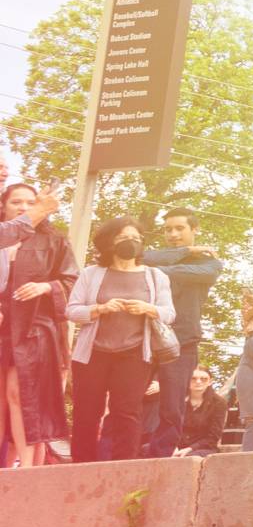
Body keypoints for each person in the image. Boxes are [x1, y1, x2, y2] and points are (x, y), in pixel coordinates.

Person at [67, 215, 171, 463]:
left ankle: (123, 468)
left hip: (134, 354)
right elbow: (71, 310)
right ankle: (81, 466)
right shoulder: (92, 273)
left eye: (136, 238)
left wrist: (147, 308)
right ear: (109, 242)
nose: (131, 242)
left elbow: (169, 313)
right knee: (86, 413)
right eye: (124, 237)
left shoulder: (156, 276)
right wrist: (100, 309)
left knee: (127, 413)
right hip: (92, 354)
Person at [2, 183, 78, 466]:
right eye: (16, 202)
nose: (23, 207)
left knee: (20, 395)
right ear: (4, 206)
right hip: (3, 326)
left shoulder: (55, 241)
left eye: (30, 202)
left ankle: (27, 465)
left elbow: (73, 282)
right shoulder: (3, 239)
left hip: (33, 328)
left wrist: (46, 288)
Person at [138, 207, 220, 458]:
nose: (173, 234)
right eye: (168, 229)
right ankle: (118, 458)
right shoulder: (154, 257)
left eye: (180, 228)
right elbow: (141, 256)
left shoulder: (208, 263)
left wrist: (154, 270)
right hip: (142, 338)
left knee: (172, 408)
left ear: (195, 230)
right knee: (128, 403)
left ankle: (160, 460)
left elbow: (147, 264)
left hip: (182, 341)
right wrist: (184, 251)